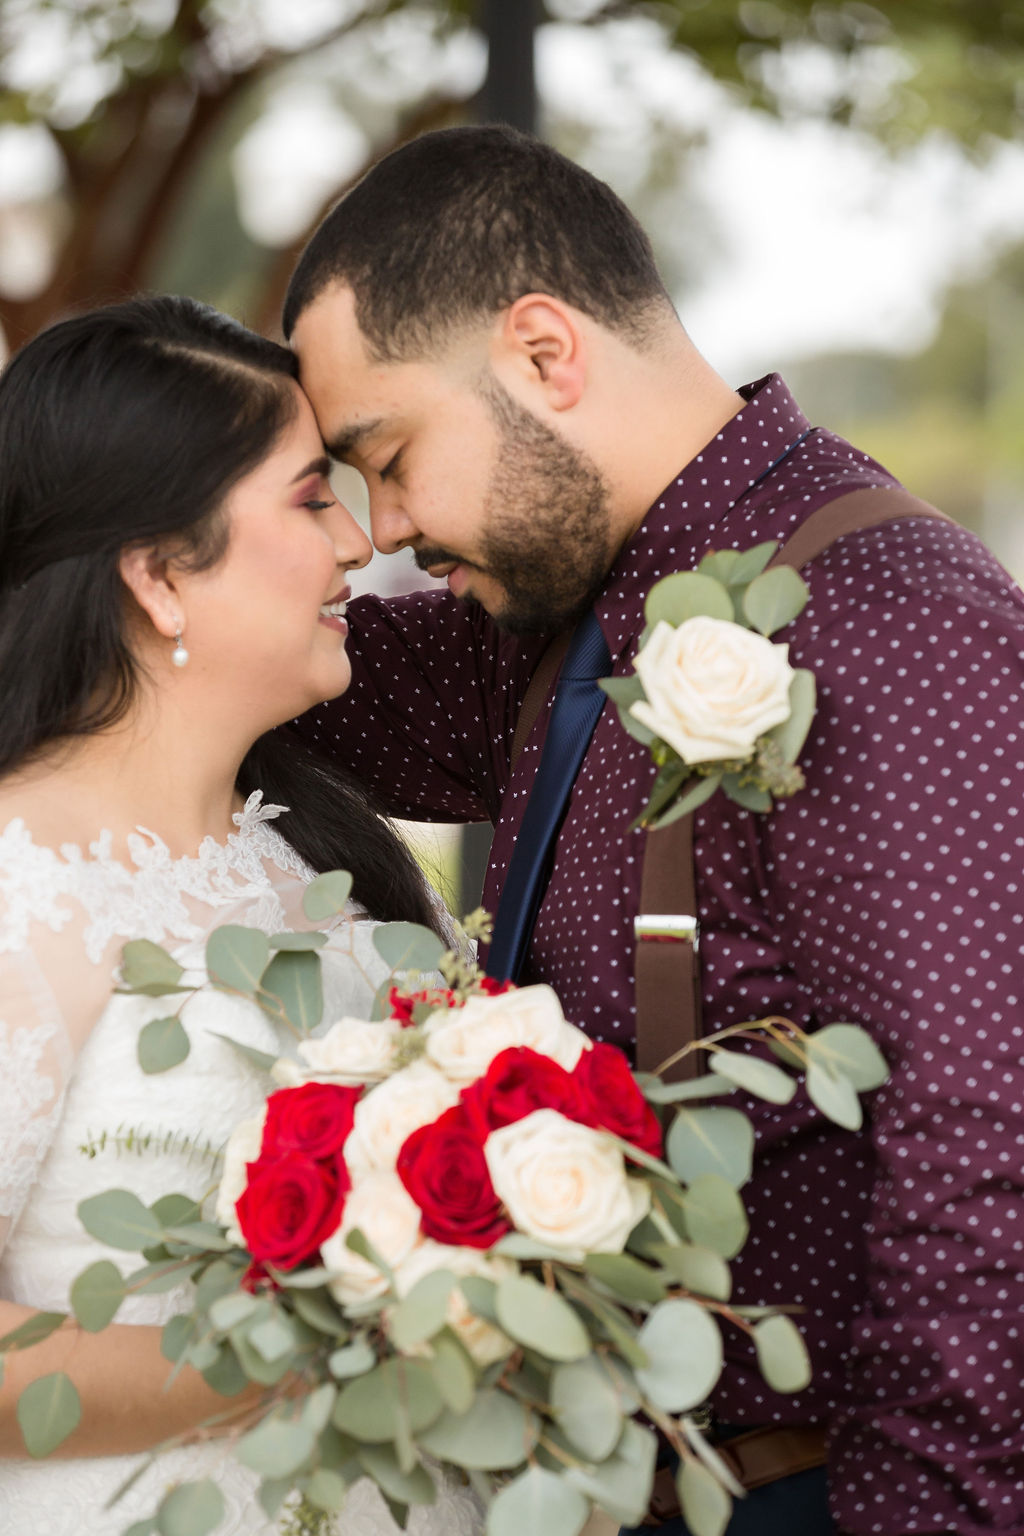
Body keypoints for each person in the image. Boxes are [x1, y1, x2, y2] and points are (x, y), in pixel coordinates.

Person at [282, 126, 1024, 1536]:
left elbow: (991, 1164)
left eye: (387, 456)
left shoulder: (894, 626)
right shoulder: (555, 622)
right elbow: (289, 671)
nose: (381, 528)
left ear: (545, 353)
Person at [0, 295, 480, 1536]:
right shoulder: (19, 884)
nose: (361, 542)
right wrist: (336, 1351)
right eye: (312, 498)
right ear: (162, 573)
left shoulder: (316, 851)